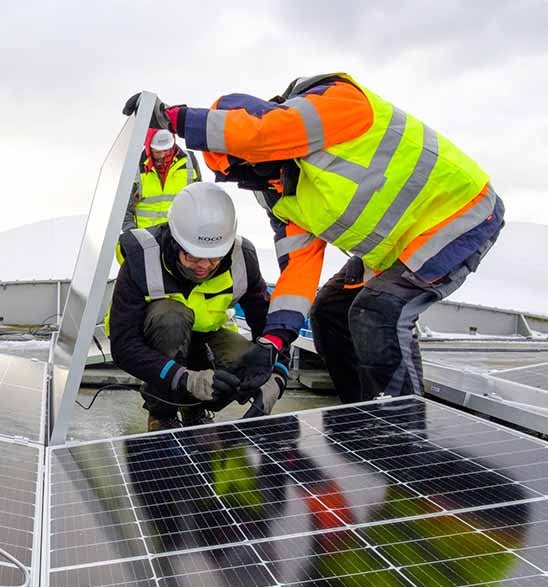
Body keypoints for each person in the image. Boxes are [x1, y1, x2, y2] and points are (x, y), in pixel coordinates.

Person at [124, 74, 505, 403]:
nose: (256, 179)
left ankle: (403, 434)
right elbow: (298, 273)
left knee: (379, 311)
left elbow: (268, 129)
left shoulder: (336, 101)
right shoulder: (283, 193)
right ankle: (360, 412)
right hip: (401, 250)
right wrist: (273, 342)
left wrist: (172, 119)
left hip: (462, 214)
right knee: (330, 311)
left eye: (248, 162)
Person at [108, 181, 288, 432]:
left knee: (248, 360)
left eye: (214, 257)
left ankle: (195, 408)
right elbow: (123, 345)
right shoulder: (142, 258)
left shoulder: (241, 258)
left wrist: (277, 375)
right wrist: (187, 379)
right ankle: (163, 413)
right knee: (170, 318)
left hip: (207, 338)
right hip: (159, 339)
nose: (203, 266)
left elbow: (269, 325)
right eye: (192, 256)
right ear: (174, 240)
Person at [124, 128, 202, 231]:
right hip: (145, 240)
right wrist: (133, 236)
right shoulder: (135, 166)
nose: (162, 155)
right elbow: (124, 211)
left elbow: (199, 200)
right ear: (149, 148)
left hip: (179, 237)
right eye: (157, 151)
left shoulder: (189, 161)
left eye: (166, 150)